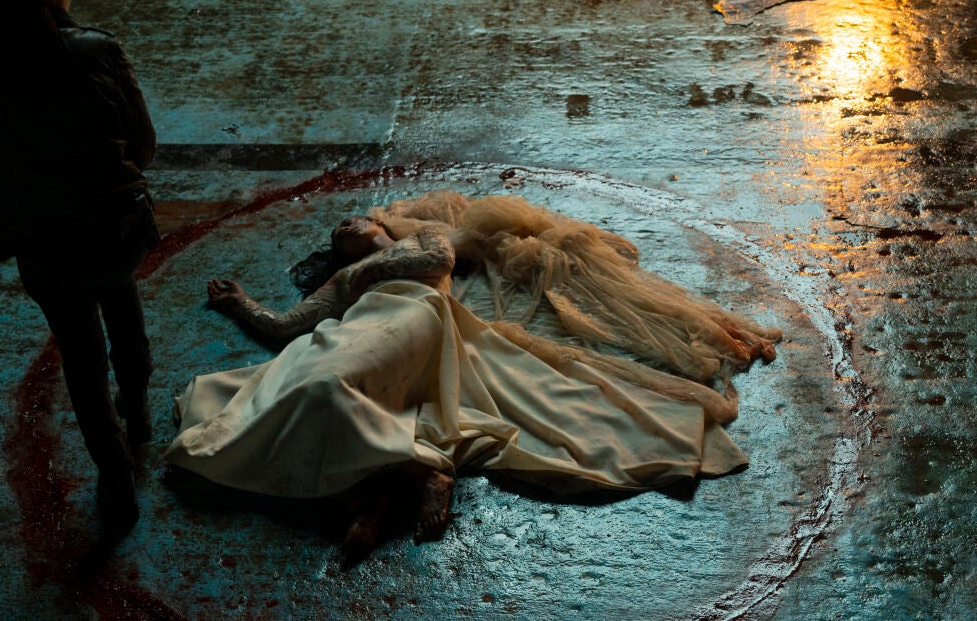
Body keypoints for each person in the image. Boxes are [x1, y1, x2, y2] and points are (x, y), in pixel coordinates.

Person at [164, 193, 780, 560]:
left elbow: (450, 254)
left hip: (416, 317)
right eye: (339, 236)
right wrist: (242, 304)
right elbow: (286, 327)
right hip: (352, 330)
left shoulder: (423, 241)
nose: (346, 229)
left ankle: (389, 482)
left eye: (354, 222)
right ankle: (388, 484)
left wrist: (376, 264)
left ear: (380, 227)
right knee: (305, 382)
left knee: (325, 387)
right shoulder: (341, 280)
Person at [0, 0, 159, 535]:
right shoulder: (97, 50)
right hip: (115, 232)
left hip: (42, 246)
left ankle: (115, 479)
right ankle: (139, 411)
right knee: (119, 292)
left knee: (81, 360)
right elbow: (143, 147)